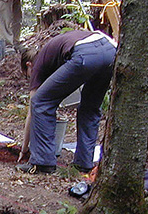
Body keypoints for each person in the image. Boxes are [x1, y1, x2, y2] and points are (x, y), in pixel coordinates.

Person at [16, 29, 117, 174]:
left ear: (28, 65)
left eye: (28, 76)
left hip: (85, 53)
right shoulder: (53, 54)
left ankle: (43, 162)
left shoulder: (38, 64)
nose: (32, 79)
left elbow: (33, 110)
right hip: (110, 51)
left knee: (41, 102)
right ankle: (84, 163)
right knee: (90, 108)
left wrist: (24, 149)